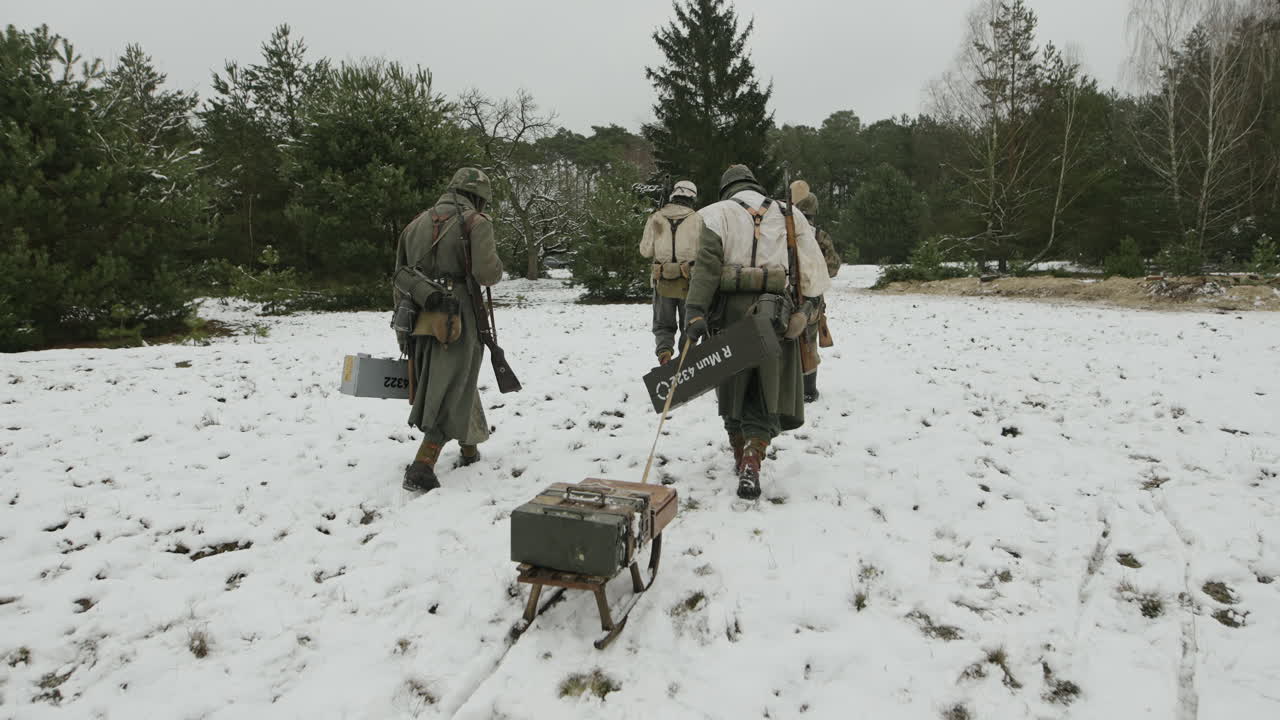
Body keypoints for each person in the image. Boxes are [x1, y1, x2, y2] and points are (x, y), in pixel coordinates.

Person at [684, 165, 832, 499]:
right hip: (775, 315)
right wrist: (806, 310)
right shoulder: (790, 214)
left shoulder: (714, 214)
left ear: (727, 189)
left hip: (728, 315)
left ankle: (740, 453)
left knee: (733, 389)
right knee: (765, 394)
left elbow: (706, 269)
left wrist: (694, 313)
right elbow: (813, 270)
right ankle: (753, 456)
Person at [393, 167, 504, 493]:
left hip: (420, 316)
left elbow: (400, 276)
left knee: (454, 378)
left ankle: (469, 449)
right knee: (453, 382)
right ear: (478, 196)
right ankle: (423, 464)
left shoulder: (414, 224)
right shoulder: (476, 223)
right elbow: (487, 274)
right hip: (458, 318)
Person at [639, 180, 704, 365]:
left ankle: (664, 352)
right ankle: (685, 359)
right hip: (688, 281)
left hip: (662, 281)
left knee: (663, 324)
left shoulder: (656, 218)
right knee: (688, 324)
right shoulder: (698, 219)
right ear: (692, 197)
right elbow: (703, 252)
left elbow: (645, 251)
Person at [790, 181, 842, 403]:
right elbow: (833, 268)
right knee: (808, 340)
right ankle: (808, 390)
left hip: (784, 292)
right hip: (811, 296)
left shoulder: (784, 231)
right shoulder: (820, 236)